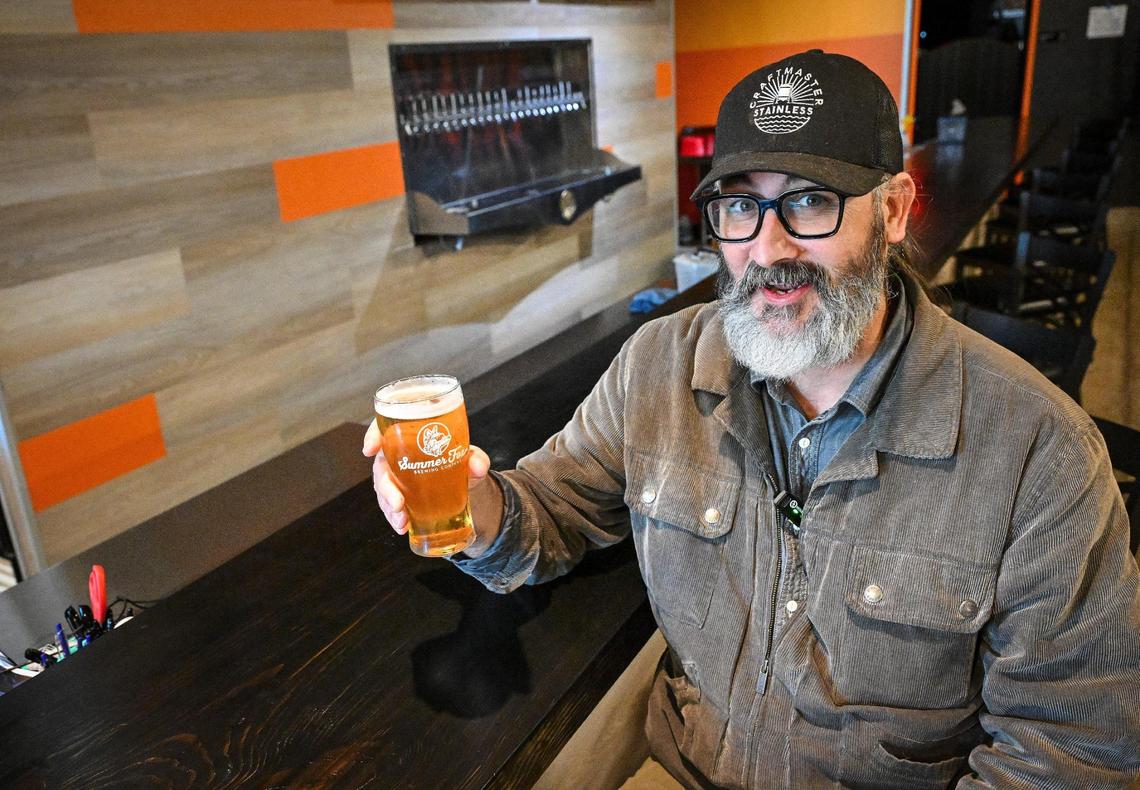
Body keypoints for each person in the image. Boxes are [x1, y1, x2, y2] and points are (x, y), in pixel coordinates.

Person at [364, 50, 1140, 788]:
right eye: (741, 206)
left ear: (895, 209)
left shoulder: (1039, 450)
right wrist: (471, 507)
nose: (768, 248)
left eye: (809, 200)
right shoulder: (661, 366)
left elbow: (1072, 748)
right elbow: (553, 507)